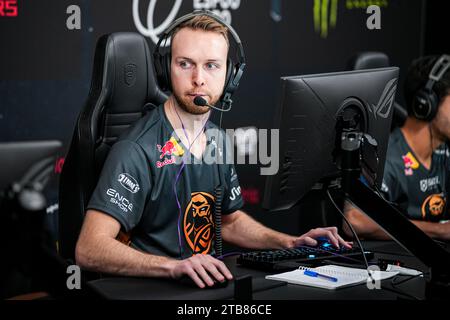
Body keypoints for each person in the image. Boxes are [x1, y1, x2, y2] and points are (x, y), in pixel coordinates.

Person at [75, 11, 351, 289]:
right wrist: (173, 266)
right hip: (157, 291)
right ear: (165, 69)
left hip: (207, 286)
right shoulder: (136, 150)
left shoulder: (217, 139)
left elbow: (229, 222)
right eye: (185, 64)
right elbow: (89, 248)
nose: (198, 79)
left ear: (231, 76)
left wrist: (289, 242)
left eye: (211, 66)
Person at [344, 54, 450, 240]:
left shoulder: (444, 153)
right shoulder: (388, 159)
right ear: (426, 103)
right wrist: (440, 231)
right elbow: (354, 220)